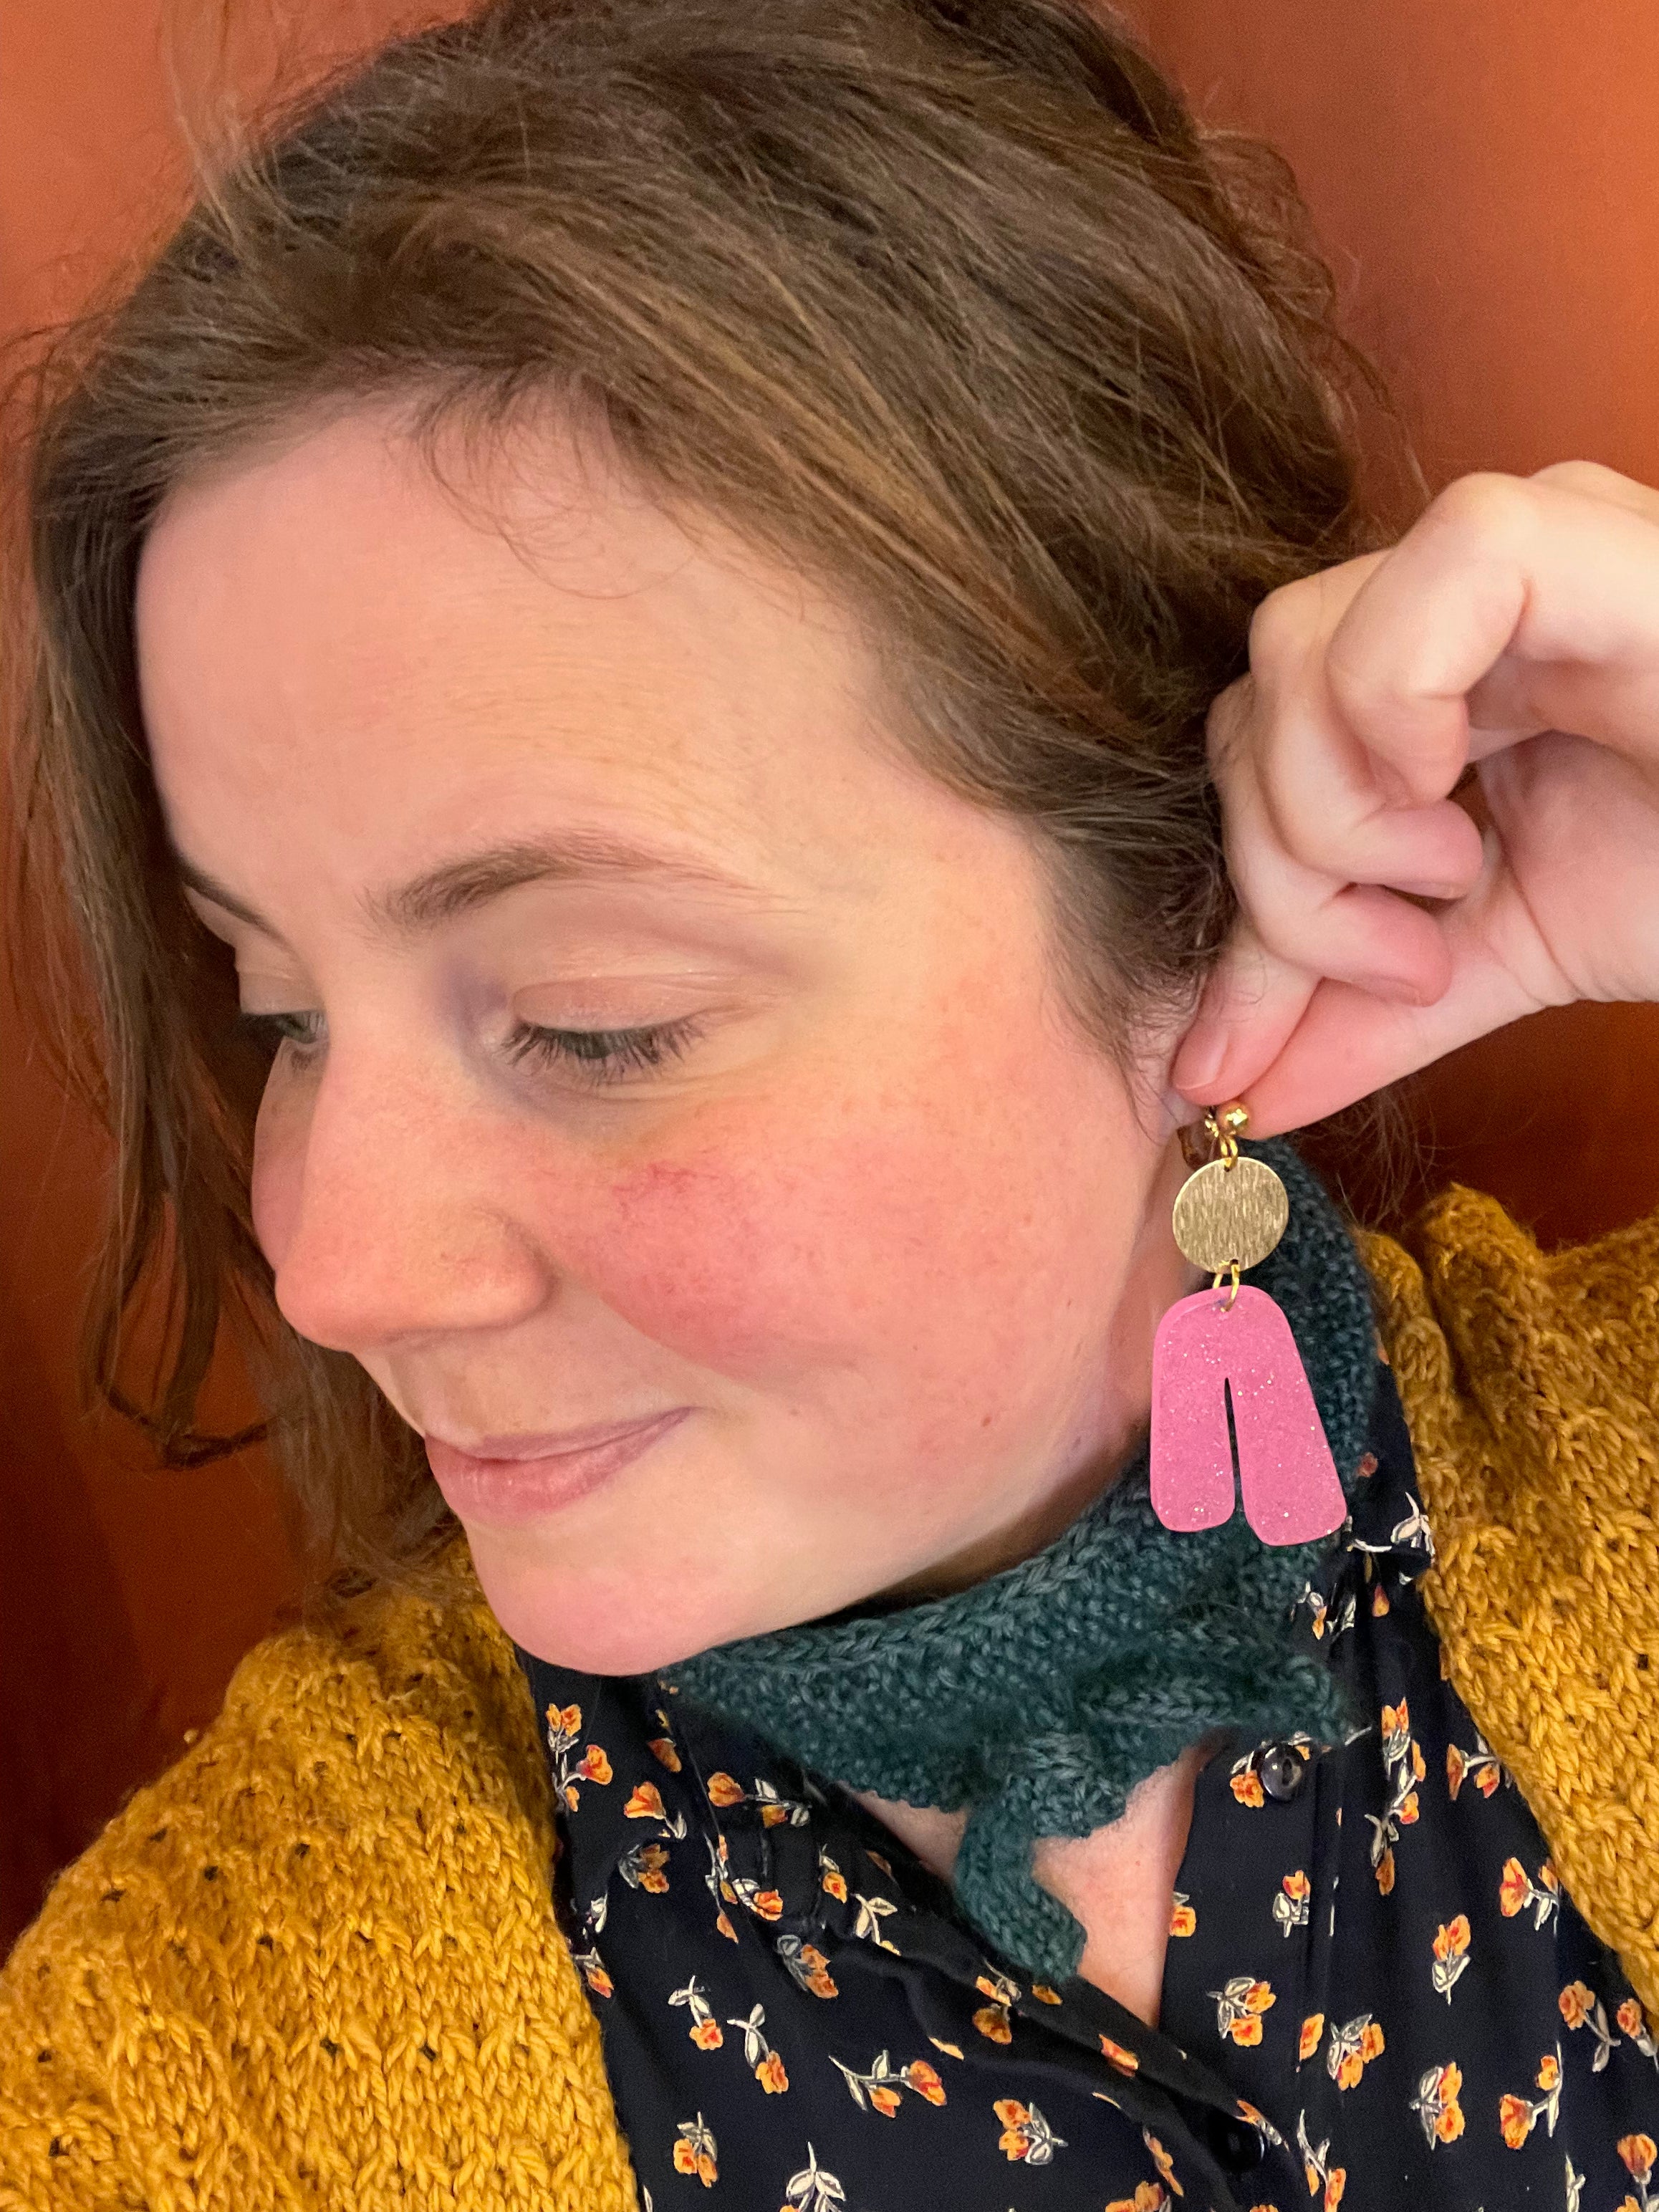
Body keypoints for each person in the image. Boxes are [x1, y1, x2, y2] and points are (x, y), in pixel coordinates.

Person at [3, 0, 1657, 2204]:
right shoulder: (203, 2055)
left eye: (593, 1023)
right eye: (280, 1009)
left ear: (1190, 903)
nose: (332, 1269)